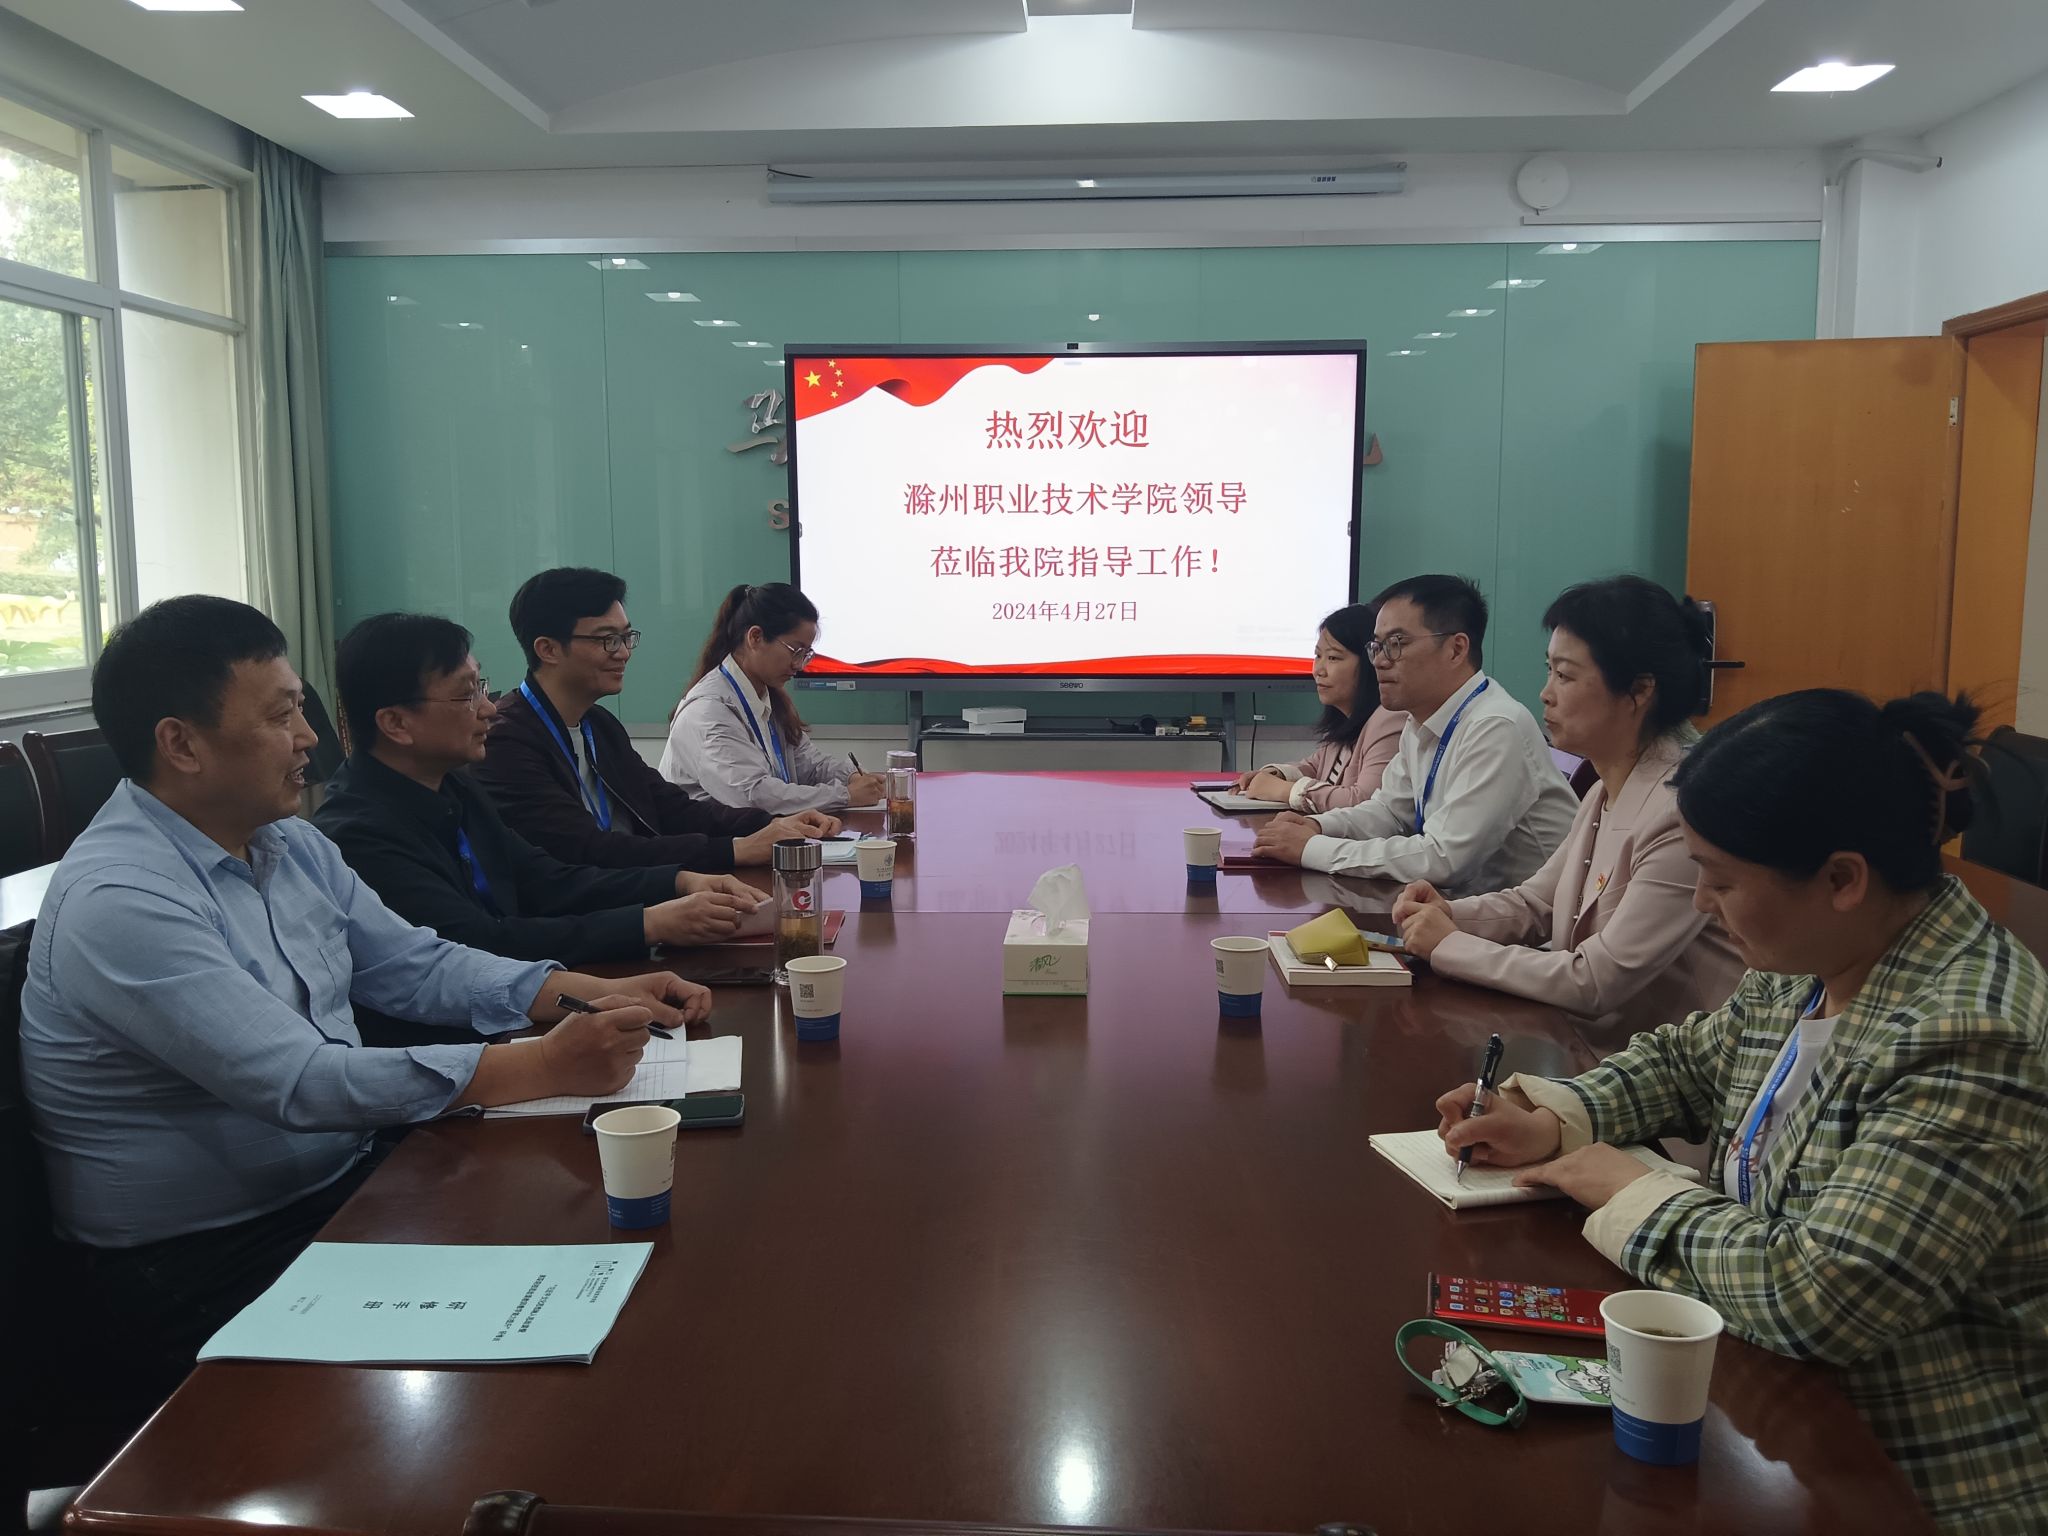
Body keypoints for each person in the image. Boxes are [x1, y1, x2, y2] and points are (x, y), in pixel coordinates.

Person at [18, 596, 709, 1423]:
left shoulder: (289, 843)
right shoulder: (123, 898)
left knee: (614, 1272)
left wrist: (581, 990)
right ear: (182, 744)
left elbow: (414, 965)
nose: (310, 736)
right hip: (199, 1263)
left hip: (343, 1184)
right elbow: (298, 1081)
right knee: (517, 1384)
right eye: (281, 715)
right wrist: (538, 1064)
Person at [1431, 689, 2048, 1534]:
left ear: (1841, 879)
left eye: (1720, 879)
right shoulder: (1822, 955)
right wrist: (1554, 1115)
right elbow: (1690, 1061)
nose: (1700, 902)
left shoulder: (1970, 1032)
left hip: (1900, 1467)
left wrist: (1633, 1191)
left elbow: (1824, 1294)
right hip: (1762, 1401)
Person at [1392, 577, 1744, 1039]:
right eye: (1549, 671)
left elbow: (1597, 980)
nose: (1546, 693)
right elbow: (1537, 903)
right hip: (1590, 1045)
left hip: (1670, 1066)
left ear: (1639, 690)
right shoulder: (1604, 789)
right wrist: (1450, 915)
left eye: (1565, 675)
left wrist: (1449, 945)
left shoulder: (1680, 812)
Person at [316, 613, 769, 968]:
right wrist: (648, 923)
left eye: (482, 687)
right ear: (395, 723)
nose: (488, 709)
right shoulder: (359, 834)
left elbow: (547, 879)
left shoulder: (453, 785)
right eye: (467, 694)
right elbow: (474, 943)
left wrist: (677, 881)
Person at [474, 567, 839, 870]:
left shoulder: (598, 725)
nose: (623, 653)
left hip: (631, 895)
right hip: (587, 917)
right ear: (548, 649)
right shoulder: (507, 742)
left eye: (626, 637)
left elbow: (672, 808)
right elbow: (587, 850)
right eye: (607, 640)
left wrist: (773, 824)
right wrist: (734, 850)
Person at [1251, 574, 1575, 891]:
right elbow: (1390, 812)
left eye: (1396, 644)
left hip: (1530, 921)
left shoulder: (1495, 726)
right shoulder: (1421, 720)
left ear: (1456, 649)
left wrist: (1311, 849)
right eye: (1376, 646)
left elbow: (1444, 860)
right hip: (1462, 909)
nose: (1379, 661)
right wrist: (1317, 825)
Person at [662, 582, 886, 814]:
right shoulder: (709, 711)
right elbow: (754, 797)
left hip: (756, 832)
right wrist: (846, 796)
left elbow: (809, 765)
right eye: (796, 651)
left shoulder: (765, 696)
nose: (799, 665)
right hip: (710, 836)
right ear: (755, 637)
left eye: (806, 654)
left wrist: (852, 777)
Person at [1231, 602, 1405, 811]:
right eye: (1318, 656)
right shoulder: (1346, 719)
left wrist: (1285, 791)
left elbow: (1365, 803)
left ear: (1371, 662)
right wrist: (1276, 774)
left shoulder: (1389, 719)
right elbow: (1315, 766)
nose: (1318, 670)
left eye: (1333, 658)